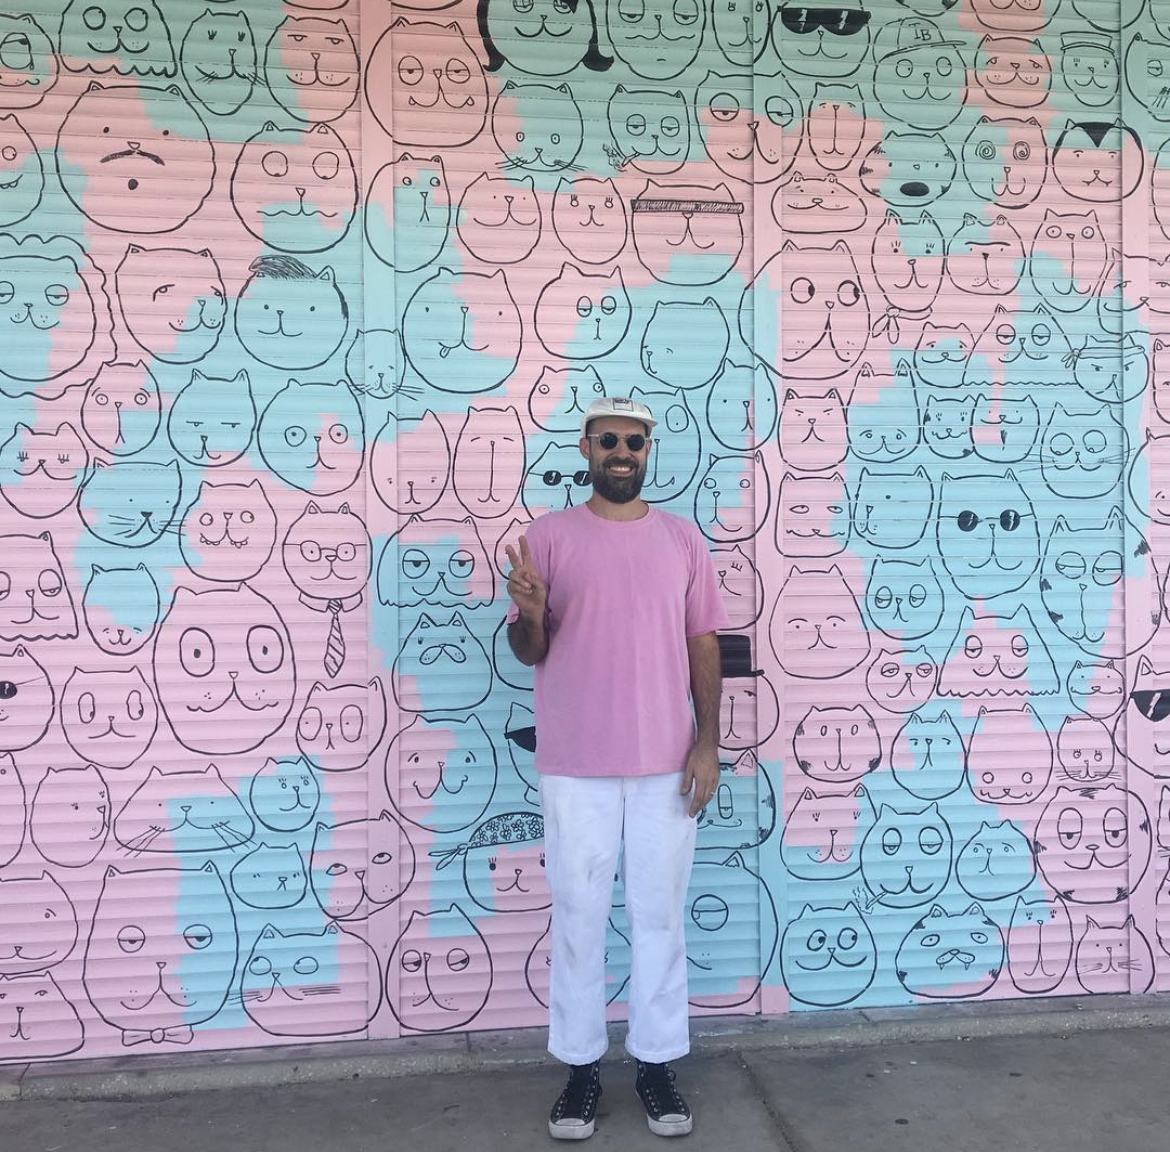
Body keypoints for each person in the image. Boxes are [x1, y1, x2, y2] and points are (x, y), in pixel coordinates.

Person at [505, 396, 728, 1140]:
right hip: (576, 763)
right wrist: (530, 612)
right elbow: (529, 652)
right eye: (608, 440)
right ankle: (580, 1070)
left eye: (634, 441)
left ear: (648, 450)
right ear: (587, 448)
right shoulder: (549, 538)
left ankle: (658, 1064)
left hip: (667, 761)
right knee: (578, 915)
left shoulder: (682, 541)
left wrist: (707, 741)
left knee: (660, 915)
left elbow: (703, 644)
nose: (622, 451)